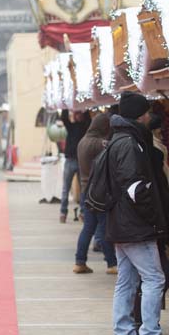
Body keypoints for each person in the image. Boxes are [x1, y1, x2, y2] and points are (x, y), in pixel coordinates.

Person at [105, 91, 169, 335]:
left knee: (126, 281)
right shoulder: (131, 143)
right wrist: (153, 219)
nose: (151, 116)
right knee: (153, 278)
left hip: (121, 222)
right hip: (136, 225)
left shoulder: (118, 139)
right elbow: (136, 188)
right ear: (140, 115)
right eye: (147, 112)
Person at [134, 112, 169, 322]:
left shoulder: (143, 149)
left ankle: (133, 330)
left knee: (132, 280)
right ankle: (146, 331)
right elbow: (154, 193)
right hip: (144, 226)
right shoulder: (146, 152)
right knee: (157, 276)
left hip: (139, 225)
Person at [73, 113, 117, 274]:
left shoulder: (82, 142)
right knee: (105, 228)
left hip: (86, 191)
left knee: (88, 228)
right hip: (99, 192)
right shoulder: (100, 143)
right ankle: (112, 263)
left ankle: (80, 261)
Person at [59, 109, 91, 223]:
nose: (78, 116)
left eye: (80, 113)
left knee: (83, 188)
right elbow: (64, 118)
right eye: (76, 114)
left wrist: (85, 106)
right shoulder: (71, 127)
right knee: (66, 188)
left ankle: (82, 212)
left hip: (81, 160)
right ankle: (63, 212)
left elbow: (88, 118)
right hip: (70, 160)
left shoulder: (86, 127)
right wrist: (65, 106)